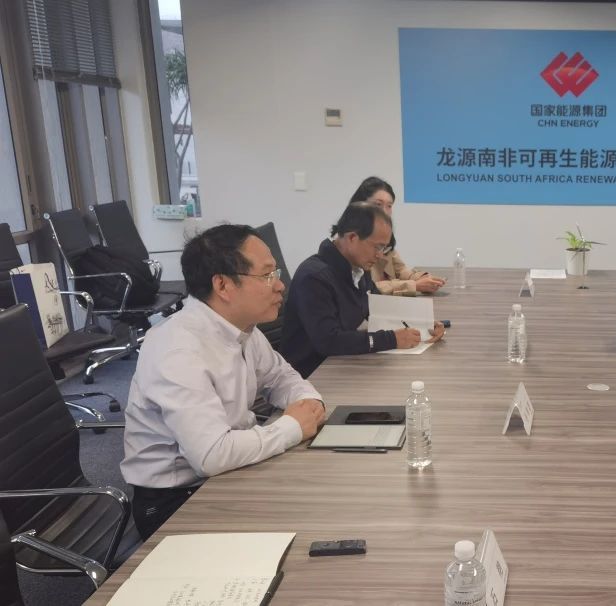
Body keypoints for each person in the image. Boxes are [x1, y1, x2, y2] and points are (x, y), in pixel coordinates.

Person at [121, 224, 326, 539]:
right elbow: (211, 455)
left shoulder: (243, 328)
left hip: (230, 472)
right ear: (223, 285)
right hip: (177, 502)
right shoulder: (177, 350)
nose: (280, 285)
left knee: (321, 497)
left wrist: (307, 401)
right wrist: (292, 426)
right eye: (267, 275)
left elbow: (281, 377)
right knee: (308, 527)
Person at [280, 203, 445, 378]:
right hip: (310, 376)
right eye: (377, 247)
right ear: (352, 238)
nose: (380, 255)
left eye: (384, 248)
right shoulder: (314, 277)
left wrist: (423, 323)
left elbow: (381, 308)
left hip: (342, 366)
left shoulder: (358, 268)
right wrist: (392, 339)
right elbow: (328, 341)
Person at [350, 176, 445, 296]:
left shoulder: (385, 236)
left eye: (389, 206)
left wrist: (424, 278)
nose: (384, 212)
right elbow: (367, 287)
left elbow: (401, 270)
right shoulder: (354, 239)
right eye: (378, 204)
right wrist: (413, 285)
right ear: (360, 204)